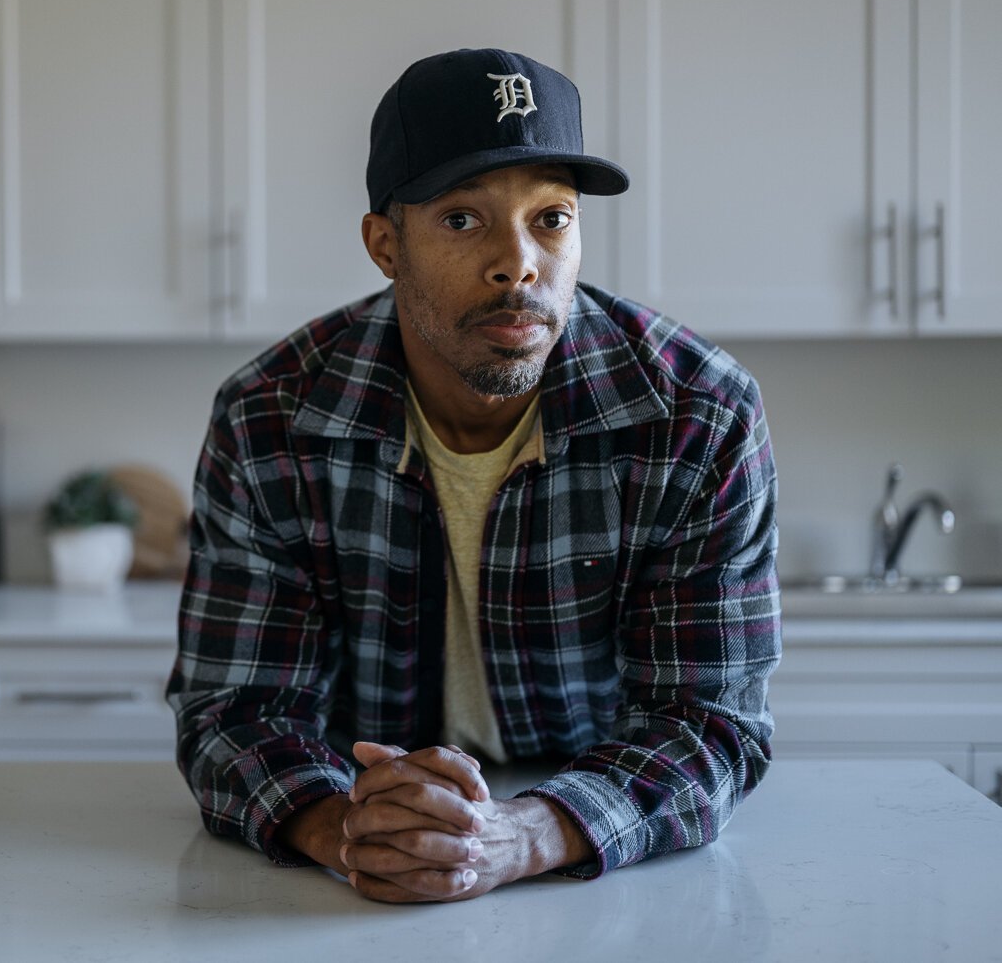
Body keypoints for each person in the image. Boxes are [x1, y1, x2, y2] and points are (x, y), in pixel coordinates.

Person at [165, 47, 781, 904]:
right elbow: (235, 711)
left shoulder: (696, 415)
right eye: (463, 220)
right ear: (386, 244)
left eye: (551, 218)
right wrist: (344, 829)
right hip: (355, 836)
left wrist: (522, 835)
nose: (518, 263)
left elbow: (710, 723)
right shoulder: (269, 417)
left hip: (590, 860)